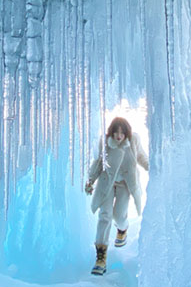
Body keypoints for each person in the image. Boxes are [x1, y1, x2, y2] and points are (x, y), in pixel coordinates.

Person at [84, 117, 149, 276]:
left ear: (126, 133)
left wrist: (152, 167)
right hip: (107, 183)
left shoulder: (133, 141)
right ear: (111, 132)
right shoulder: (105, 142)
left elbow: (141, 156)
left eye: (122, 132)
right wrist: (91, 180)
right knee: (104, 216)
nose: (119, 136)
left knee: (119, 215)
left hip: (125, 184)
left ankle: (122, 228)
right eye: (116, 132)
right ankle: (101, 258)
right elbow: (98, 162)